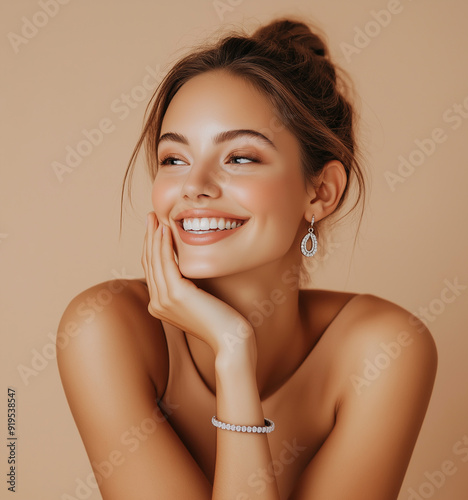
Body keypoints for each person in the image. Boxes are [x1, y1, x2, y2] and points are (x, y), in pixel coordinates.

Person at [56, 18, 437, 500]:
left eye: (239, 158)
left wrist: (233, 356)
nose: (193, 186)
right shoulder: (104, 328)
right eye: (174, 159)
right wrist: (231, 344)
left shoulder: (384, 350)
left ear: (321, 192)